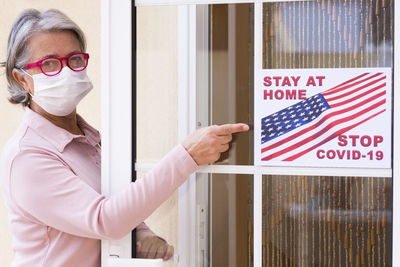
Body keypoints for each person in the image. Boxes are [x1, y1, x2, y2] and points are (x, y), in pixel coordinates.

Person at [0, 8, 249, 267]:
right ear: (22, 80)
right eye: (49, 64)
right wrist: (186, 156)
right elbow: (104, 220)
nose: (66, 71)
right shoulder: (26, 157)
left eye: (74, 59)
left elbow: (115, 204)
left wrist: (142, 235)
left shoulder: (87, 138)